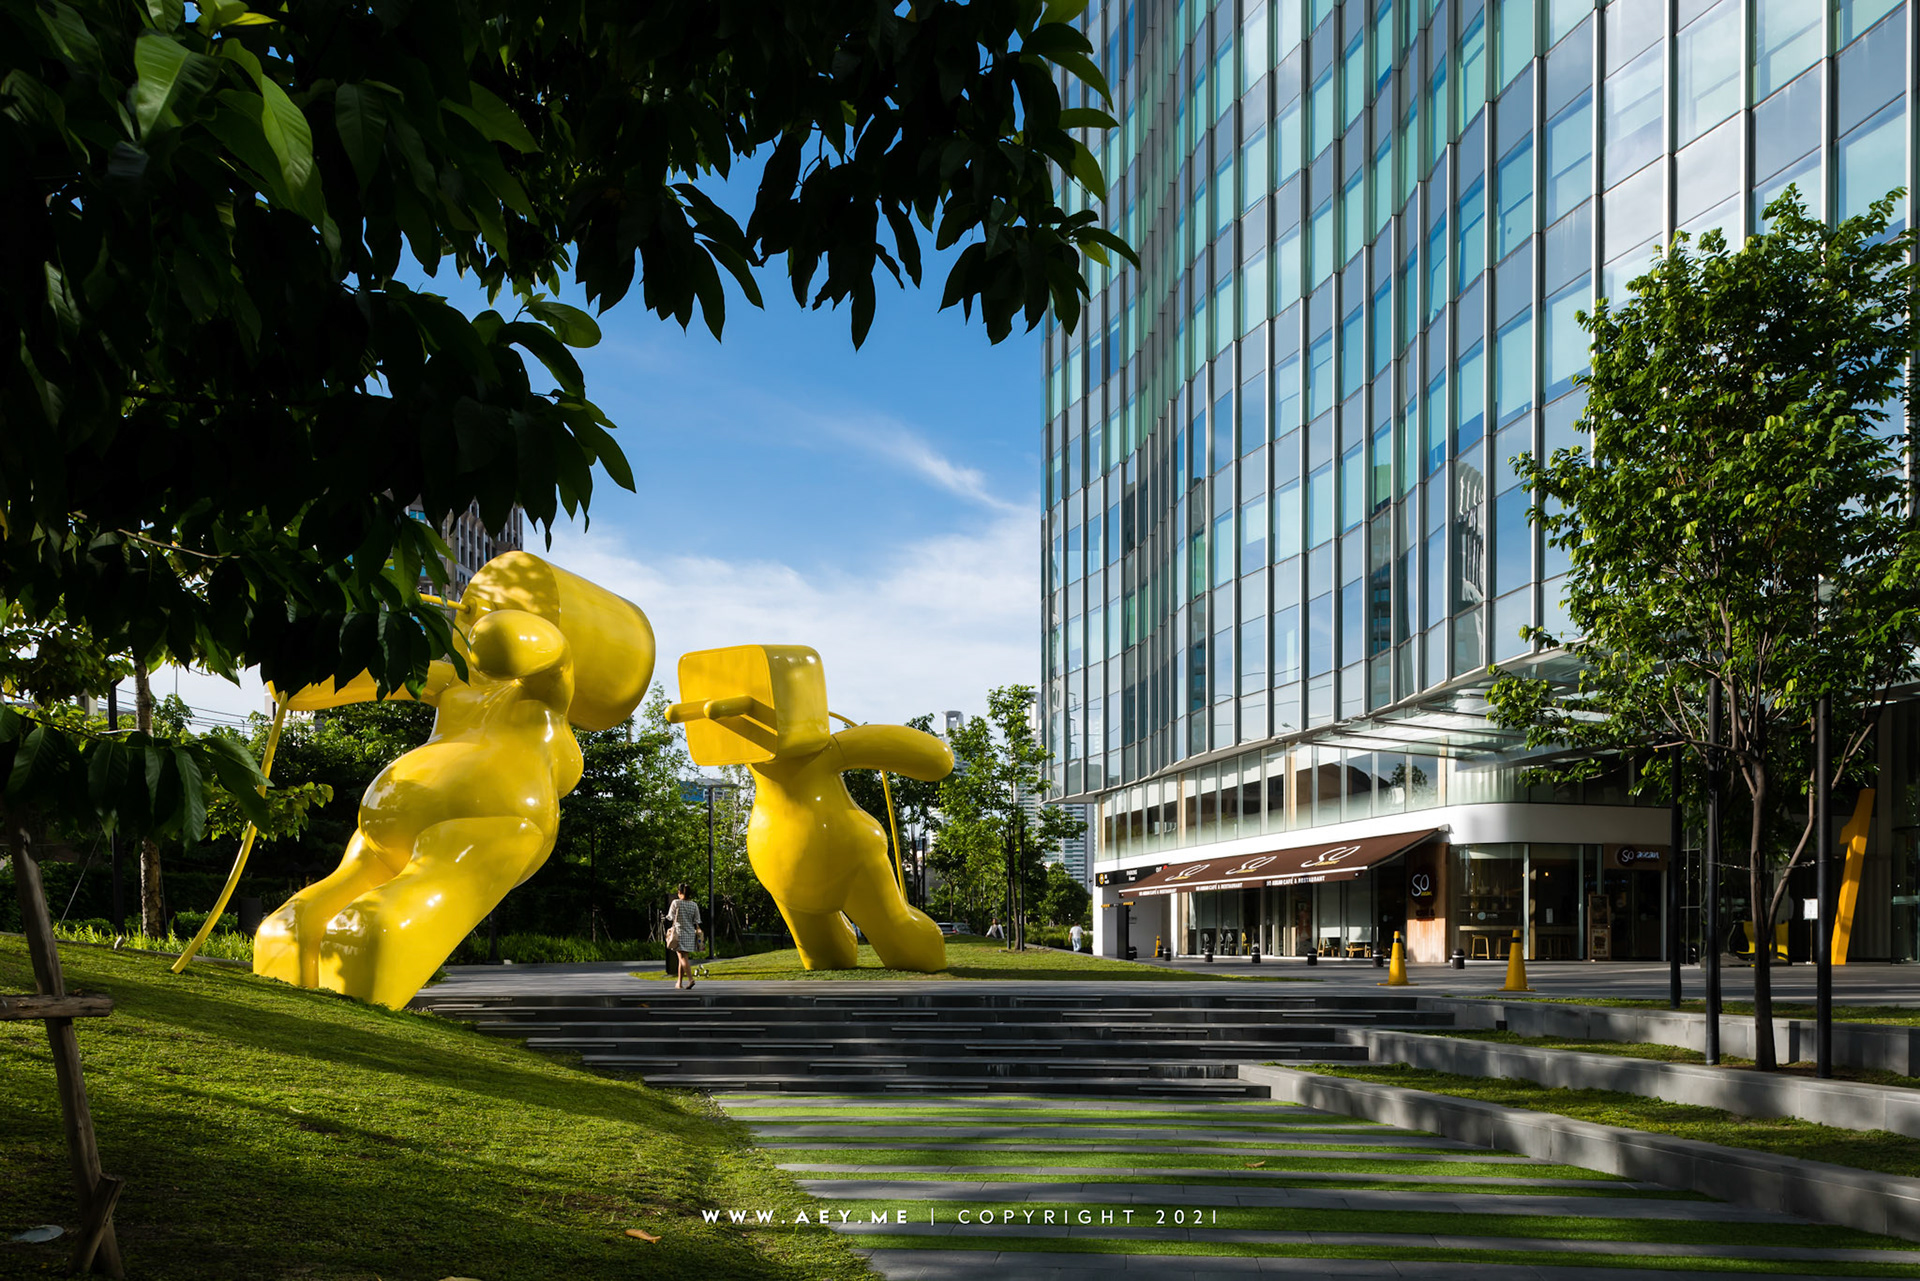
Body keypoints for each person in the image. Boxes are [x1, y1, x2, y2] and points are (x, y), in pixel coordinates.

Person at [666, 883, 704, 989]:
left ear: (679, 892)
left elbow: (670, 917)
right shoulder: (694, 905)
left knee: (682, 958)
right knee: (683, 958)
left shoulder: (676, 903)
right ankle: (679, 982)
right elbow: (697, 920)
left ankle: (691, 979)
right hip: (690, 933)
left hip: (679, 933)